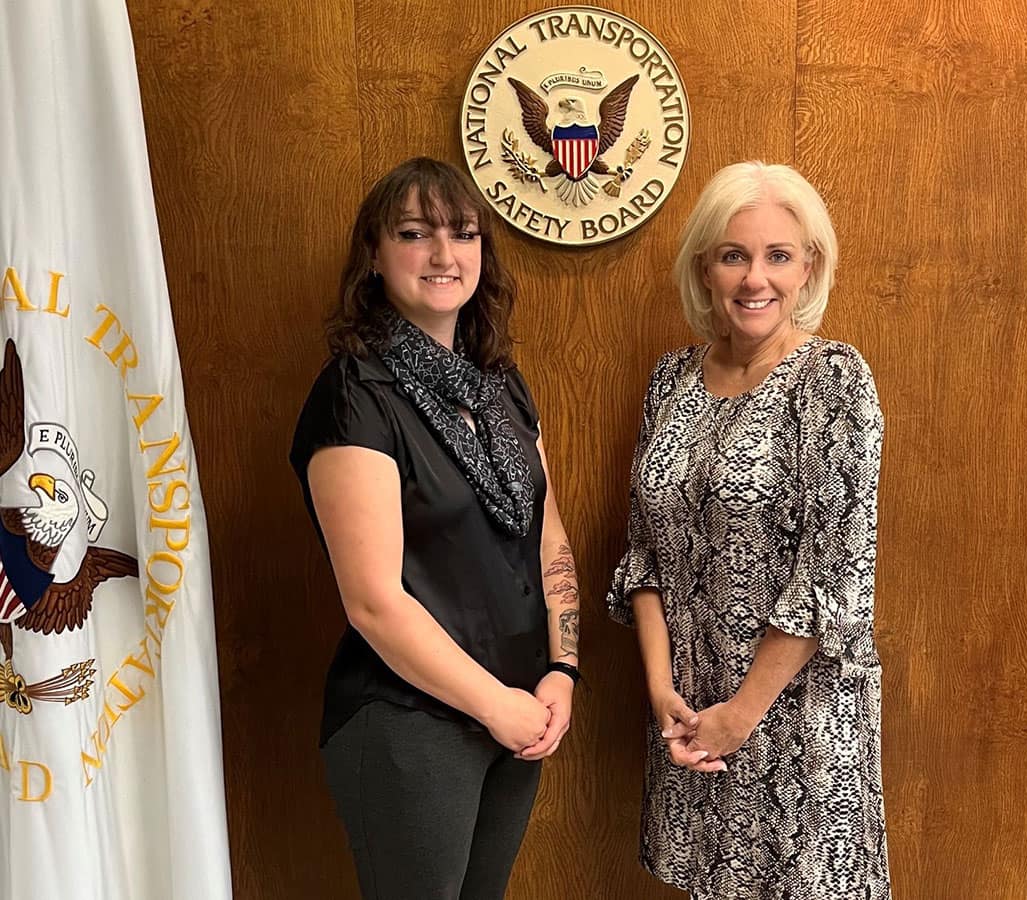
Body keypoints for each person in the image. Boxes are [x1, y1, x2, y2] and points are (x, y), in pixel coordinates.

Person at [290, 157, 580, 900]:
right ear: (375, 256)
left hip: (522, 710)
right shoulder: (354, 393)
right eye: (415, 234)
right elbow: (373, 601)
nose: (444, 256)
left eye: (464, 234)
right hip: (412, 722)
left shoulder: (501, 384)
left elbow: (548, 536)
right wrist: (495, 704)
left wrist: (562, 671)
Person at [607, 161, 890, 900]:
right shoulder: (670, 380)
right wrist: (663, 687)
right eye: (734, 255)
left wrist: (741, 715)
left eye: (778, 256)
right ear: (704, 267)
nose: (754, 278)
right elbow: (643, 550)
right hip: (691, 720)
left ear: (809, 268)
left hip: (791, 721)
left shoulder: (833, 380)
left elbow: (833, 577)